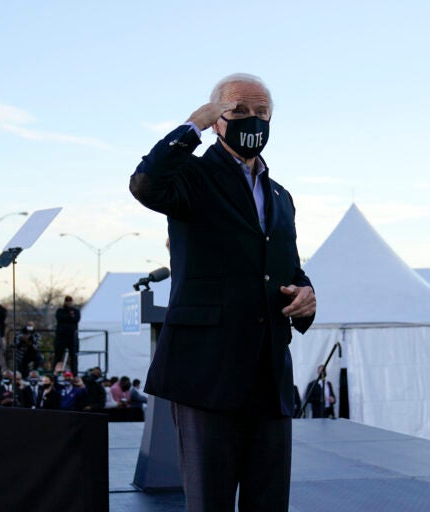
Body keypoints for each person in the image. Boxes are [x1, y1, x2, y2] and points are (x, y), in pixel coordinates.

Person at [129, 73, 316, 511]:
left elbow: (286, 267)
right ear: (217, 120)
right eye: (239, 111)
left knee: (269, 502)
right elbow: (145, 185)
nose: (253, 121)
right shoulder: (192, 176)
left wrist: (306, 295)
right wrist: (191, 126)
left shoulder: (280, 195)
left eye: (262, 113)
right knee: (209, 502)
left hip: (269, 375)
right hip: (206, 372)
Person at [54, 296, 81, 374]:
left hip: (72, 336)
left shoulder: (76, 311)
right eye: (67, 301)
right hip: (61, 336)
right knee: (58, 356)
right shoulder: (60, 311)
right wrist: (69, 316)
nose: (69, 303)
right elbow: (60, 318)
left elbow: (76, 319)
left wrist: (69, 317)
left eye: (70, 301)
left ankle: (74, 373)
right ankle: (56, 373)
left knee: (73, 357)